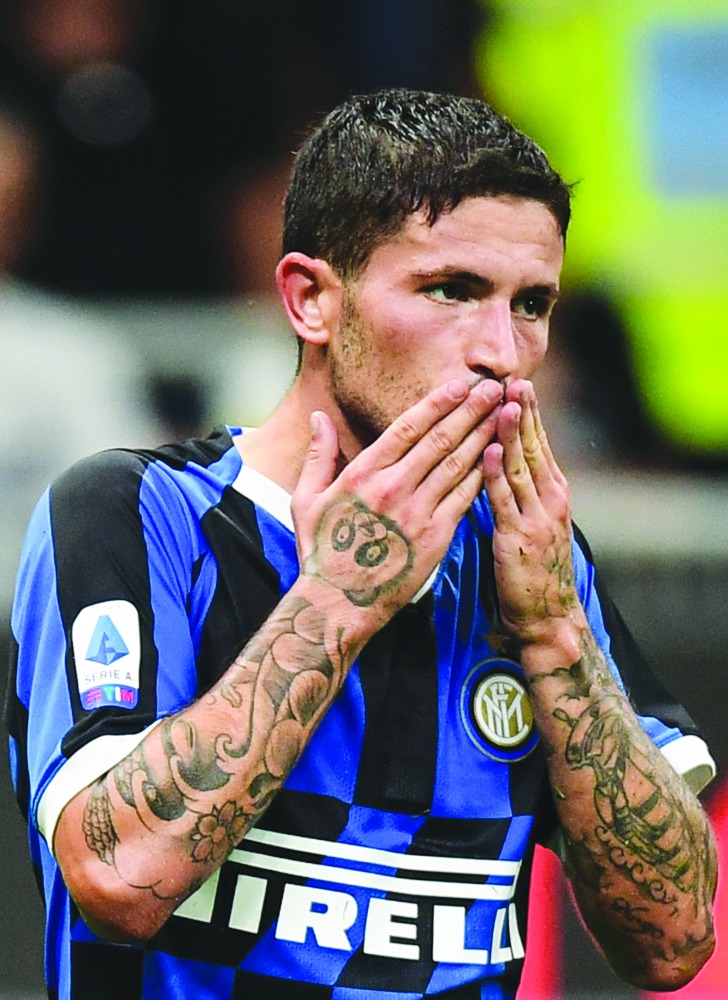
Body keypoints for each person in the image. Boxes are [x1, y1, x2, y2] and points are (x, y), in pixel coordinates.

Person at [5, 89, 718, 1000]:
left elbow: (673, 943)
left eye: (531, 304)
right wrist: (339, 597)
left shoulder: (536, 563)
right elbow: (117, 874)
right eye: (451, 290)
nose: (501, 350)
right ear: (310, 299)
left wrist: (554, 634)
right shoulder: (137, 512)